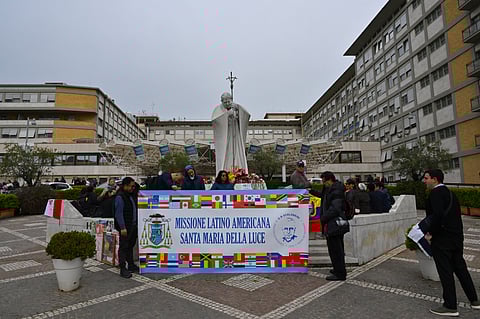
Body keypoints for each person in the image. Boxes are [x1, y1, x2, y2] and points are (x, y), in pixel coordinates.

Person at [419, 169, 479, 316]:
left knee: (445, 271)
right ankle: (475, 300)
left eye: (426, 178)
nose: (424, 181)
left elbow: (437, 216)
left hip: (442, 239)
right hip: (456, 237)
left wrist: (430, 233)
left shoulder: (435, 194)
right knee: (461, 269)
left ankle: (450, 306)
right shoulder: (451, 193)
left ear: (435, 179)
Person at [310, 171, 347, 281]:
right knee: (333, 249)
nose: (323, 183)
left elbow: (335, 208)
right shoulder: (330, 189)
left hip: (334, 223)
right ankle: (337, 269)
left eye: (324, 180)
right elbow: (323, 196)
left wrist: (323, 218)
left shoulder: (336, 190)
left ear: (329, 179)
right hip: (331, 223)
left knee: (336, 250)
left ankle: (340, 273)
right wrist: (311, 191)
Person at [211, 92, 251, 174]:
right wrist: (227, 115)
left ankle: (240, 171)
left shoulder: (236, 107)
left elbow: (246, 115)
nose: (227, 103)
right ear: (221, 101)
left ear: (231, 100)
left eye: (229, 101)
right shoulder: (218, 110)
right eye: (225, 102)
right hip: (226, 136)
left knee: (237, 151)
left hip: (236, 135)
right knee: (227, 153)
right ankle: (226, 171)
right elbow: (216, 121)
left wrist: (239, 110)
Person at [114, 177, 138, 278]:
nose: (133, 188)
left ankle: (131, 264)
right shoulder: (120, 197)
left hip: (132, 226)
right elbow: (118, 213)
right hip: (125, 227)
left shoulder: (130, 195)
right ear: (125, 185)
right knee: (123, 247)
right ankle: (123, 268)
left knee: (130, 246)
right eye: (131, 186)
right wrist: (122, 227)